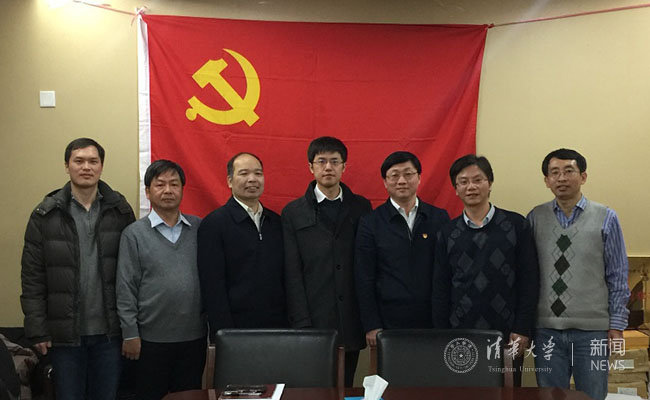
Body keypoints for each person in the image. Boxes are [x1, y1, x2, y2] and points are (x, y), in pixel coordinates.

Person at [20, 138, 135, 400]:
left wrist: (131, 329)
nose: (86, 167)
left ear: (101, 166)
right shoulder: (45, 214)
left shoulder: (120, 210)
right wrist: (37, 329)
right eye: (79, 161)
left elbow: (133, 272)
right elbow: (32, 277)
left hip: (109, 333)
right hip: (64, 336)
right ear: (67, 166)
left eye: (93, 161)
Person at [528, 148, 629, 400]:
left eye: (569, 171)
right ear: (546, 181)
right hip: (547, 330)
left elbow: (617, 275)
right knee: (550, 396)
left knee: (592, 395)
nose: (562, 178)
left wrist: (616, 325)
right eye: (554, 173)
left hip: (592, 332)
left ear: (583, 176)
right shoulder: (535, 218)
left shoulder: (606, 217)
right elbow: (527, 275)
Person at [432, 154, 539, 385]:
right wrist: (442, 334)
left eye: (478, 180)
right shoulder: (447, 232)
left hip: (508, 333)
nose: (471, 187)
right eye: (463, 182)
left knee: (507, 391)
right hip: (460, 333)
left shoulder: (516, 225)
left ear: (490, 183)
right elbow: (440, 287)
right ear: (455, 189)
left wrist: (522, 328)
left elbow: (529, 281)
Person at [282, 136, 371, 387]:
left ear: (344, 166)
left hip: (351, 317)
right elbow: (292, 272)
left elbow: (367, 265)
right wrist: (301, 321)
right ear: (311, 167)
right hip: (313, 318)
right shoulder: (293, 212)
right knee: (314, 386)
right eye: (321, 161)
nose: (328, 167)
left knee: (346, 384)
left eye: (335, 161)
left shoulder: (361, 207)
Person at [116, 160, 206, 400]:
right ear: (148, 192)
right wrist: (130, 333)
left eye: (174, 184)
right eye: (160, 185)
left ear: (183, 190)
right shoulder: (134, 234)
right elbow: (125, 287)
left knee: (189, 396)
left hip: (193, 338)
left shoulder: (199, 228)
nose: (168, 190)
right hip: (149, 341)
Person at [355, 151, 449, 347]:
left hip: (432, 318)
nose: (402, 181)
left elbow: (446, 271)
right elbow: (364, 276)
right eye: (394, 175)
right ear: (385, 181)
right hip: (389, 321)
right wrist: (371, 324)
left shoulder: (439, 218)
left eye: (408, 174)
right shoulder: (371, 222)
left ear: (419, 177)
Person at [198, 152, 287, 339]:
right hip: (236, 330)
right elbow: (212, 287)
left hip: (278, 326)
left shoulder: (276, 222)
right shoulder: (214, 224)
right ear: (230, 181)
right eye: (244, 173)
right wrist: (224, 333)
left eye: (258, 173)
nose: (252, 179)